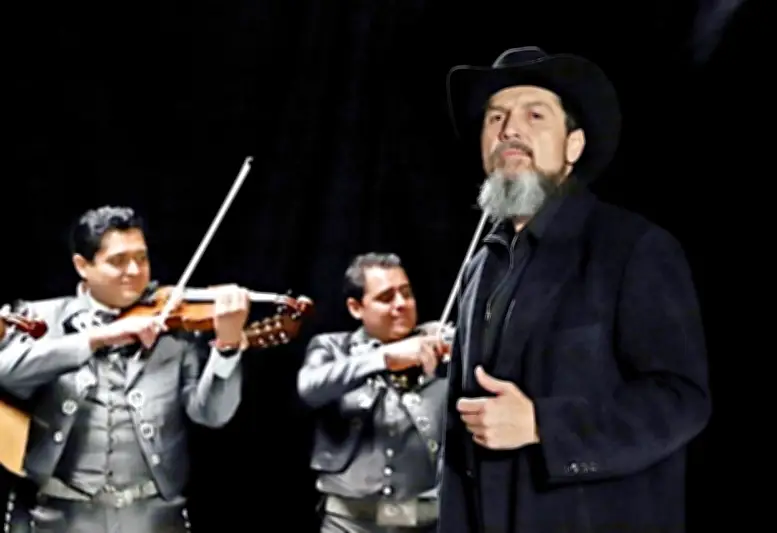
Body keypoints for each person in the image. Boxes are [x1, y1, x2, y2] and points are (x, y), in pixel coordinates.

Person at [437, 46, 711, 533]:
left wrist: (542, 425)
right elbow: (459, 446)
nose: (509, 130)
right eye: (495, 117)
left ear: (574, 146)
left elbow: (681, 400)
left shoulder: (633, 248)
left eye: (534, 115)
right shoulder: (480, 267)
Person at [0, 205, 249, 533]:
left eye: (142, 258)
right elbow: (6, 371)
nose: (134, 270)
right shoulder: (40, 320)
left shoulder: (176, 330)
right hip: (57, 515)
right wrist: (98, 337)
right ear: (82, 266)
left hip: (151, 517)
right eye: (118, 261)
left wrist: (227, 348)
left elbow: (212, 414)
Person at [297, 253, 452, 533]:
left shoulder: (440, 347)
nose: (401, 304)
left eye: (407, 294)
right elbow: (310, 387)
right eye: (386, 298)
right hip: (347, 524)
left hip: (427, 523)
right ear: (356, 308)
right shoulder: (332, 348)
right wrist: (384, 357)